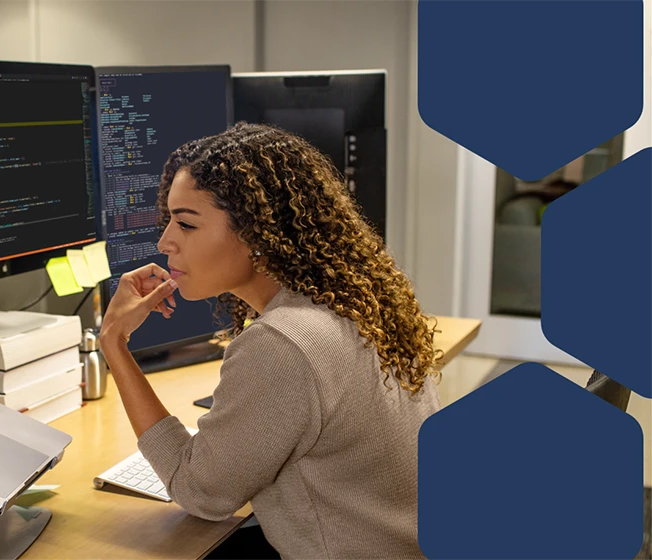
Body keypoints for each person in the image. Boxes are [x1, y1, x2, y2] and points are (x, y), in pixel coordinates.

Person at [99, 122, 441, 559]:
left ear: (257, 233)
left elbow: (200, 493)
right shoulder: (354, 302)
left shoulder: (283, 345)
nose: (165, 242)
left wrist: (114, 343)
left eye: (185, 224)